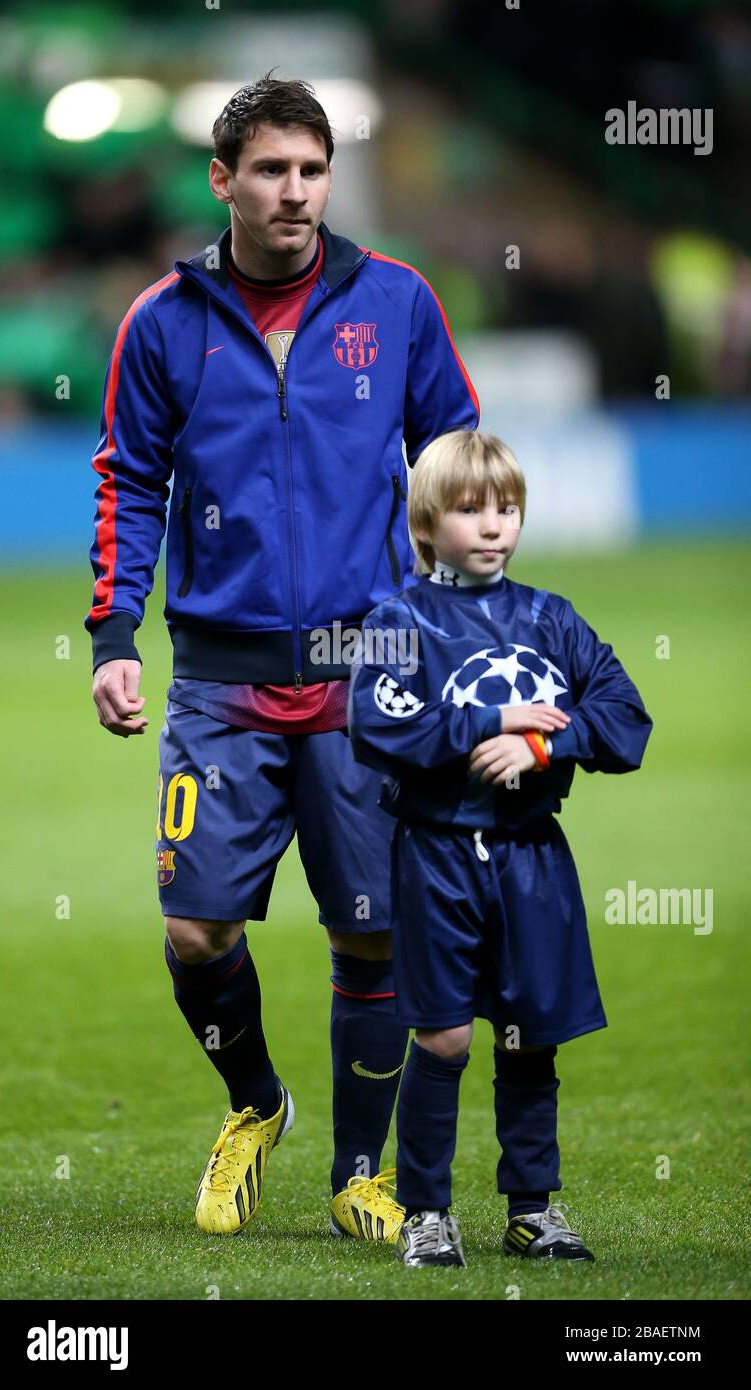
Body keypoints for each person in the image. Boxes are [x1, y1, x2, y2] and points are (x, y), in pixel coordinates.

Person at [84, 74, 479, 1242]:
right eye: (271, 169)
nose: (296, 190)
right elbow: (128, 480)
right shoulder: (162, 320)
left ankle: (360, 1170)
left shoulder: (397, 302)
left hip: (368, 673)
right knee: (198, 929)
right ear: (225, 181)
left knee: (369, 930)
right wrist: (114, 635)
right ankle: (255, 1101)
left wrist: (460, 624)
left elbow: (457, 463)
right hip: (220, 681)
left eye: (312, 169)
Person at [347, 429, 653, 1267]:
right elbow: (375, 727)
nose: (494, 527)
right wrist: (492, 720)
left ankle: (532, 1208)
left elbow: (628, 719)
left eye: (508, 509)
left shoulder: (552, 618)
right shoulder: (393, 621)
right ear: (426, 522)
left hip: (532, 855)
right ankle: (427, 1214)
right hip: (437, 854)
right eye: (471, 509)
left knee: (531, 1035)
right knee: (444, 1039)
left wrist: (545, 748)